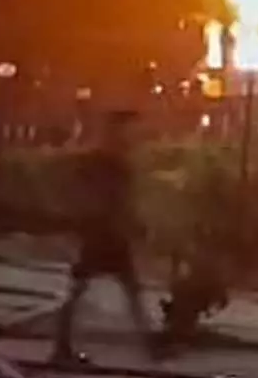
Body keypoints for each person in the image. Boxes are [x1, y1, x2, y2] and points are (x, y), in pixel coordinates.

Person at [51, 111, 158, 364]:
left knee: (126, 289)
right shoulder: (104, 162)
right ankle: (61, 346)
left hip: (110, 234)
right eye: (130, 130)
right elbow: (103, 197)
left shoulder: (117, 161)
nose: (134, 136)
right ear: (117, 131)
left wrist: (131, 222)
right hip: (102, 233)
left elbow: (119, 199)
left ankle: (62, 346)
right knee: (86, 289)